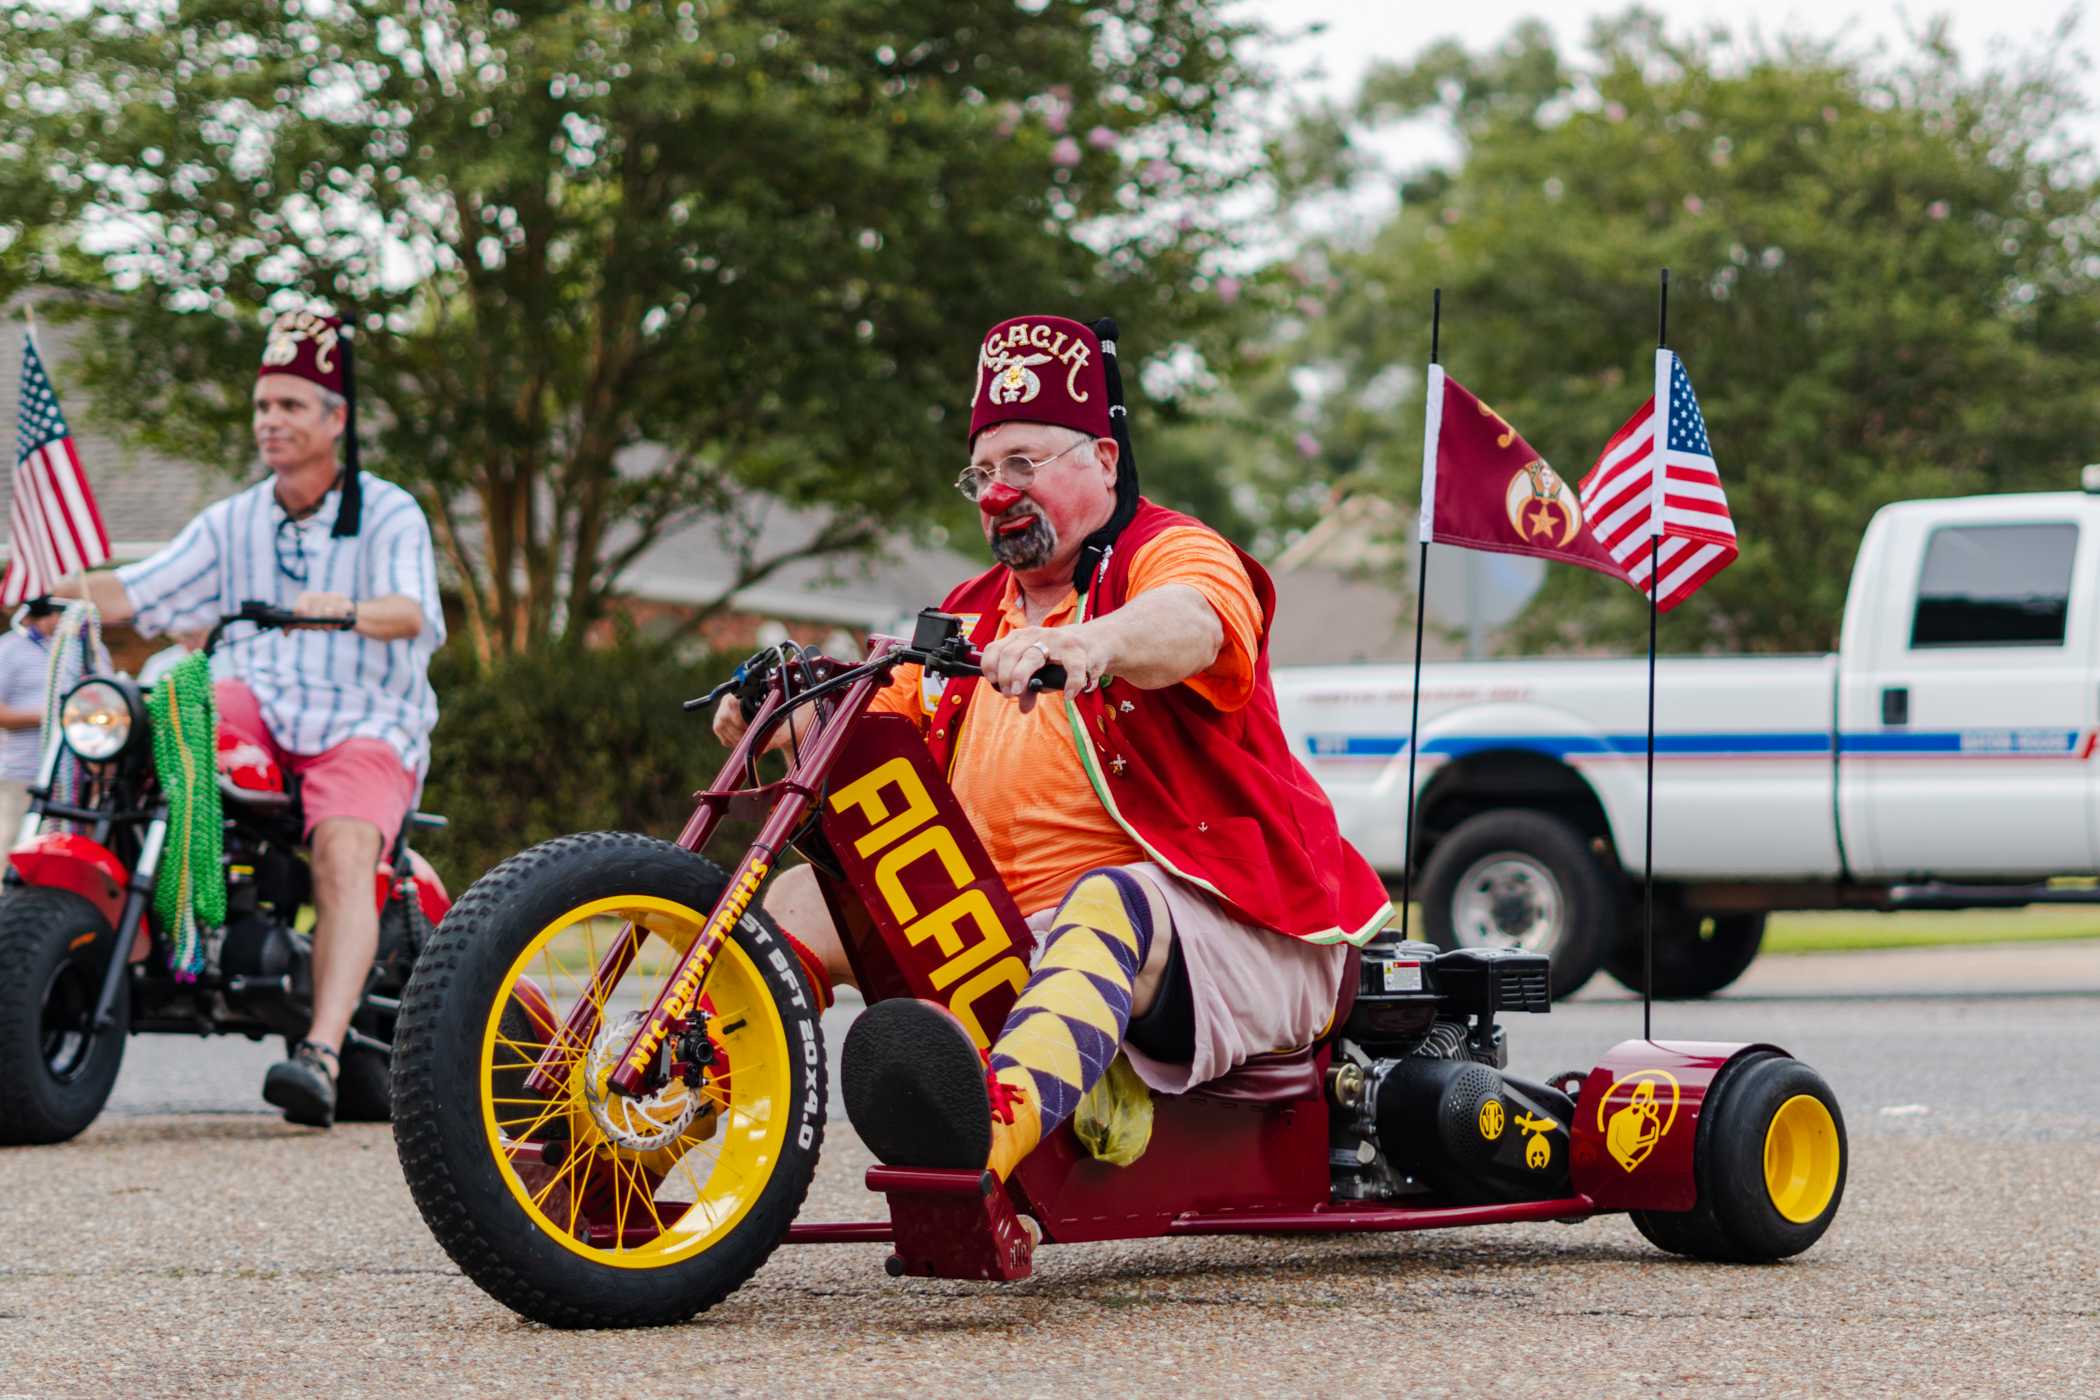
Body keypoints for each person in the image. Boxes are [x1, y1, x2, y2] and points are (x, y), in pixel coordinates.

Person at [716, 314, 1391, 1181]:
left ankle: (981, 1142)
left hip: (1234, 932)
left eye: (1024, 465)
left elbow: (1193, 621)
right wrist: (785, 712)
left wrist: (1089, 645)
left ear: (1104, 462)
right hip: (1013, 947)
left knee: (1112, 900)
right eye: (984, 472)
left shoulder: (1172, 553)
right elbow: (870, 716)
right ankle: (646, 1110)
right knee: (810, 895)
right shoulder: (969, 608)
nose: (999, 491)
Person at [56, 310, 445, 1128]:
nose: (269, 420)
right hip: (260, 704)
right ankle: (132, 931)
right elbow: (134, 591)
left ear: (336, 419)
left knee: (344, 848)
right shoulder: (232, 521)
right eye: (263, 406)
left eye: (290, 406)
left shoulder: (388, 513)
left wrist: (347, 609)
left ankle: (321, 1052)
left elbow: (413, 612)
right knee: (167, 709)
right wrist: (34, 587)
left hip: (363, 719)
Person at [0, 597, 67, 837]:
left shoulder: (87, 649)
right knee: (12, 851)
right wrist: (52, 716)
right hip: (22, 773)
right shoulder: (9, 648)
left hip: (71, 779)